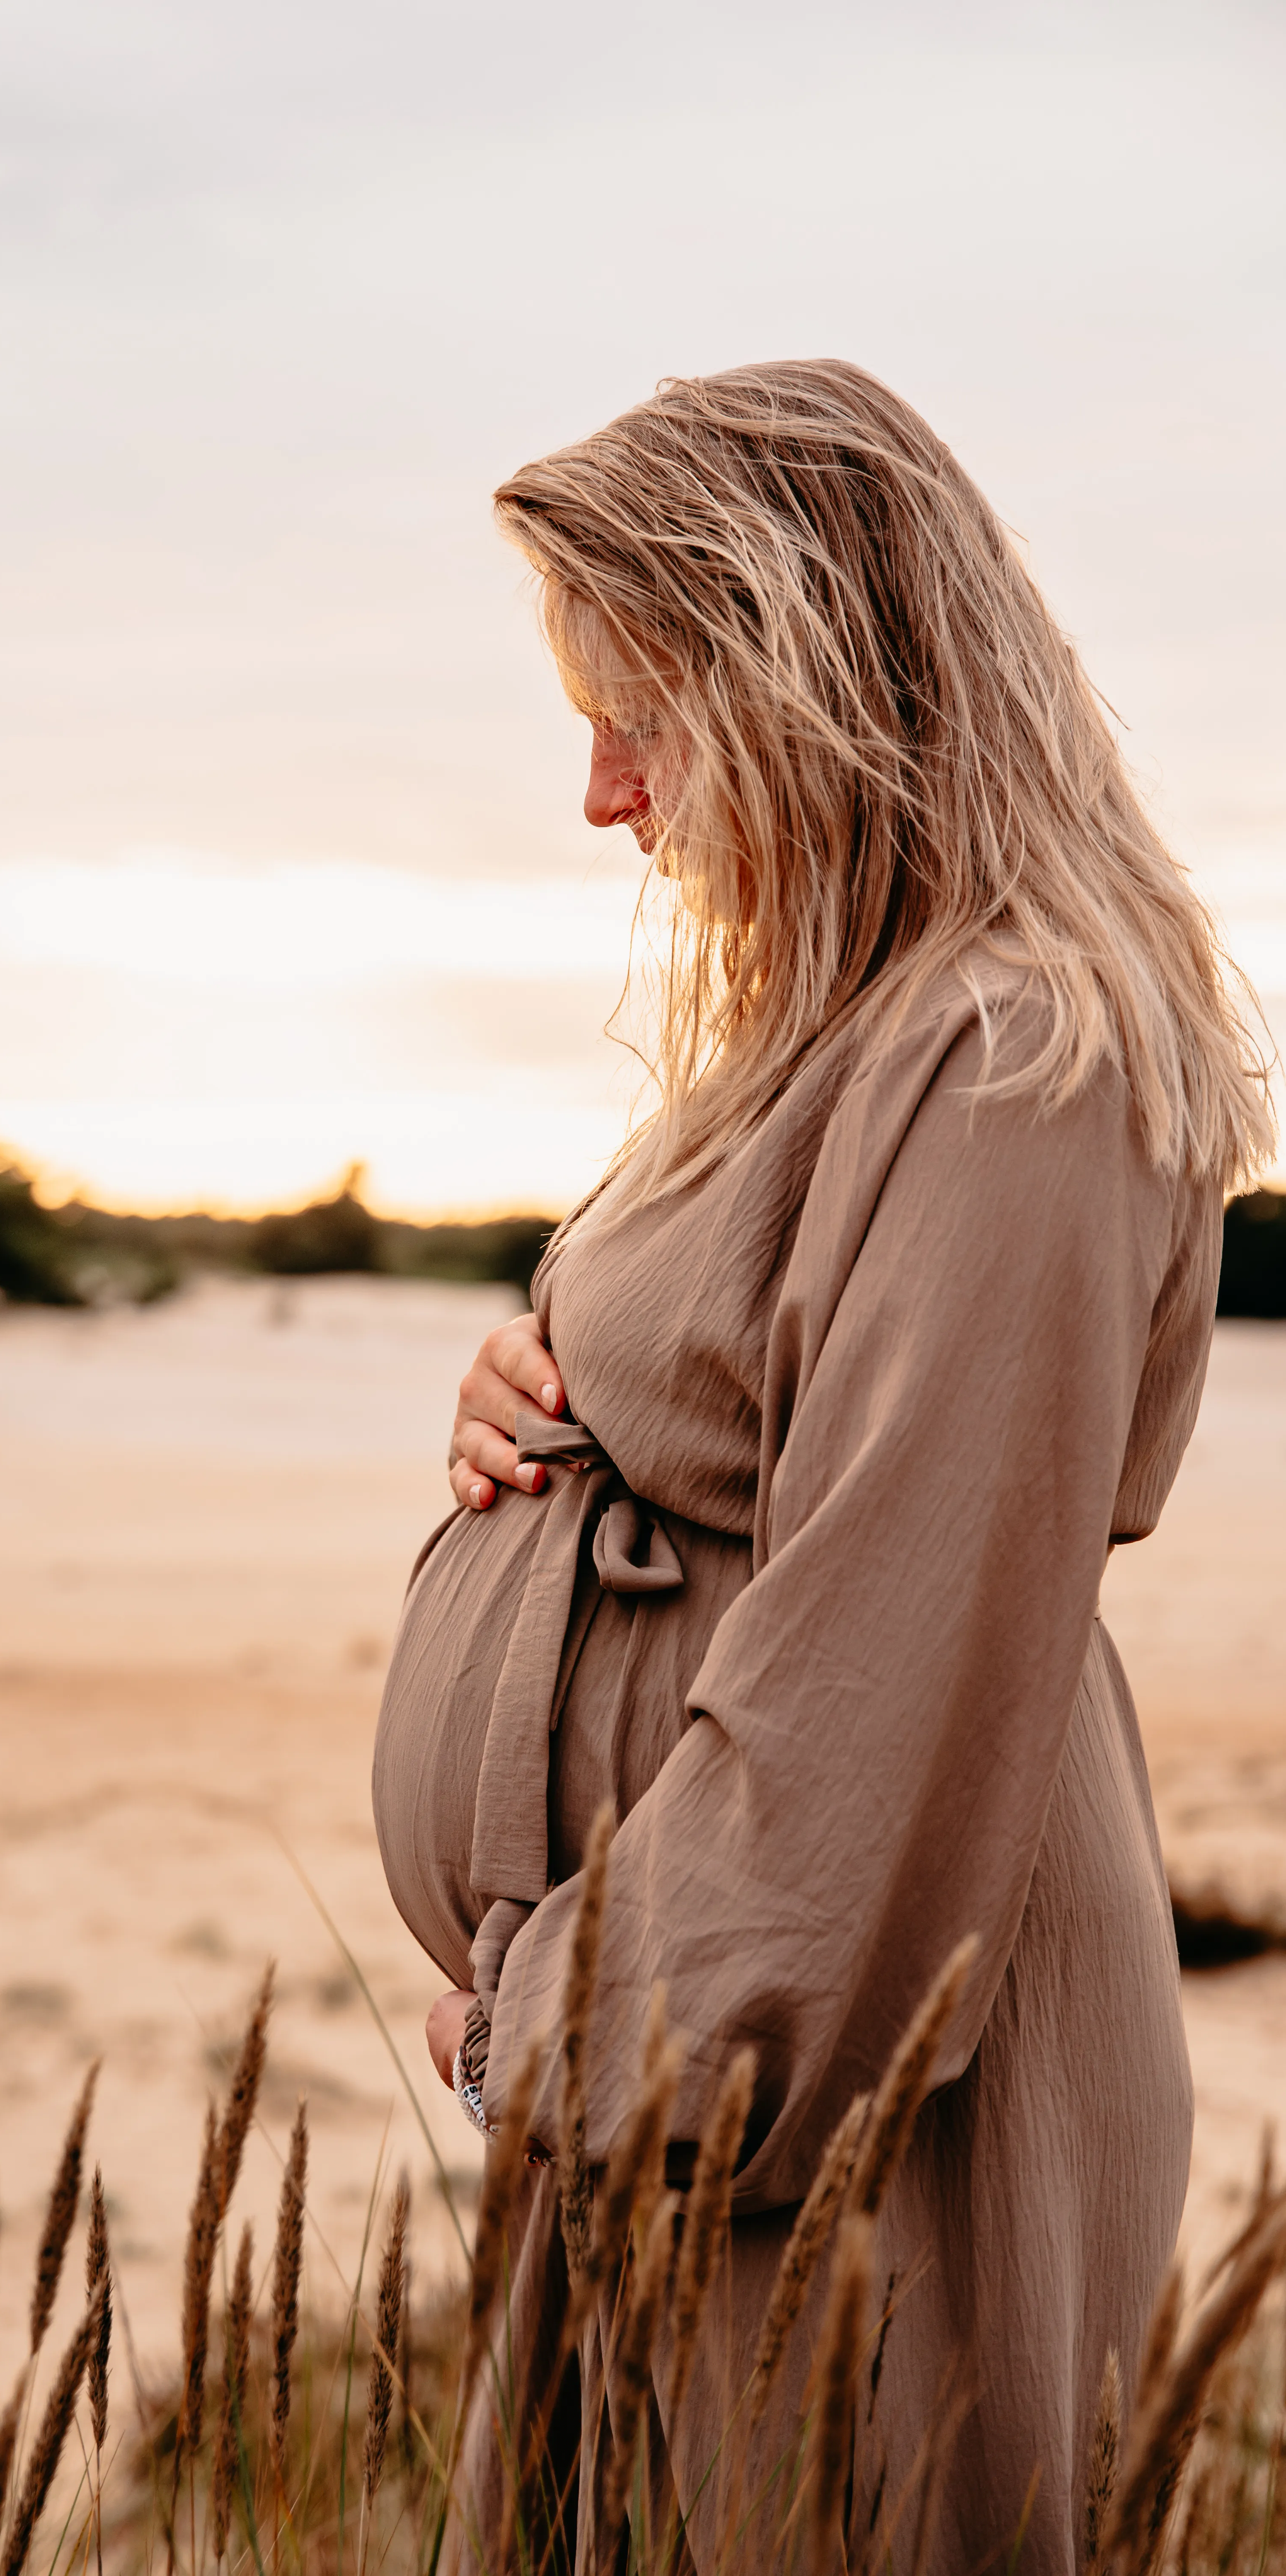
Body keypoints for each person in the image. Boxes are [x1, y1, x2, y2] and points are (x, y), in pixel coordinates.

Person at [369, 361, 1272, 2573]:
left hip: (846, 2121)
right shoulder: (849, 1034)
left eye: (633, 710)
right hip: (671, 2104)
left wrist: (562, 2038)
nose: (597, 794)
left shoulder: (1012, 1058)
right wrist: (531, 1394)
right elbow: (752, 1432)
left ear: (807, 676)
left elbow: (876, 1686)